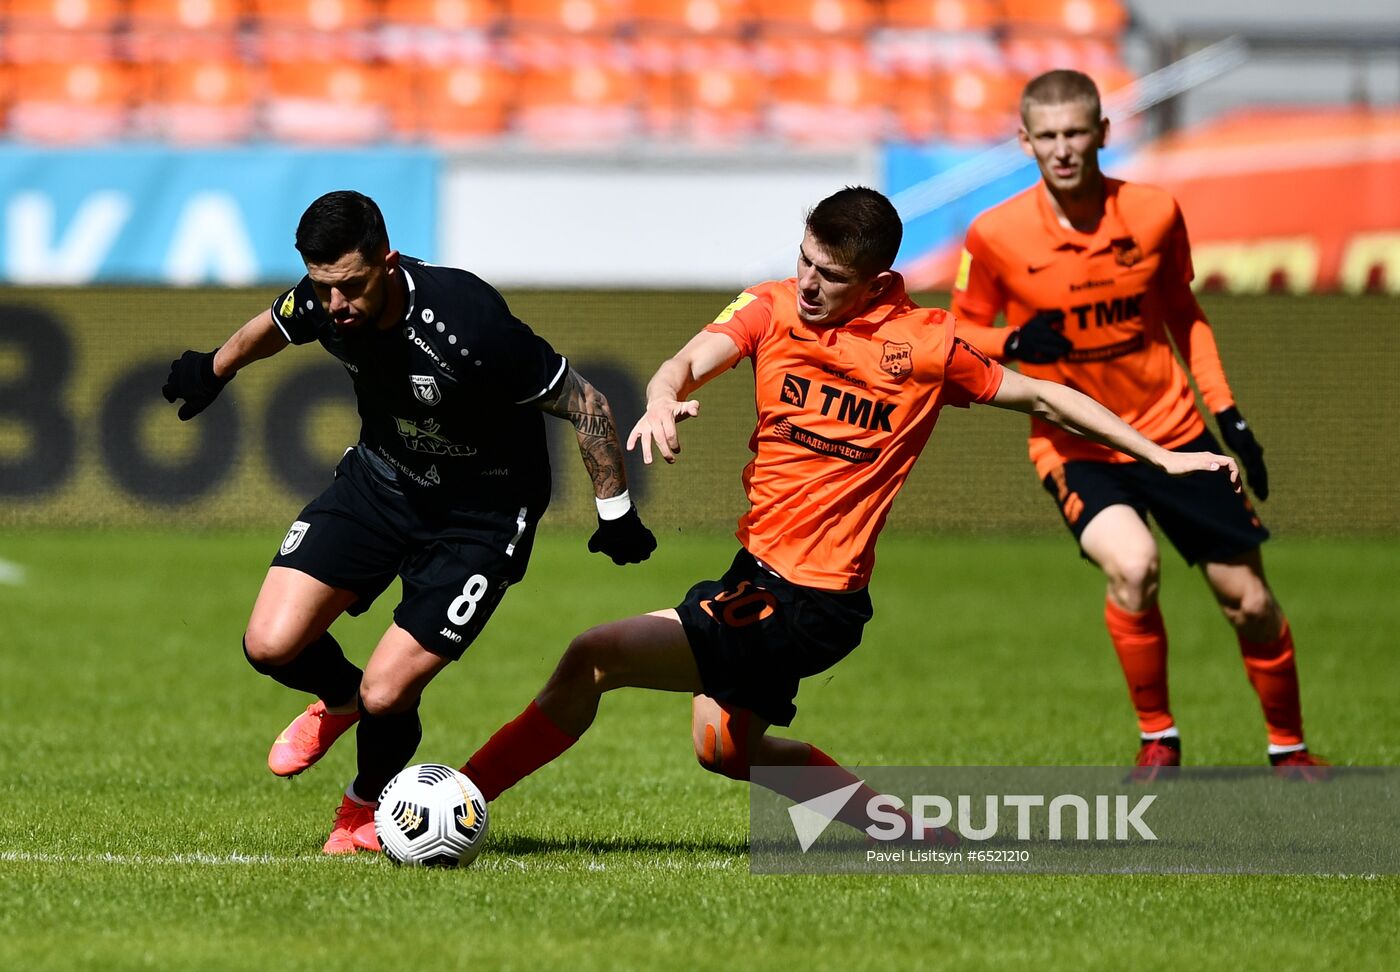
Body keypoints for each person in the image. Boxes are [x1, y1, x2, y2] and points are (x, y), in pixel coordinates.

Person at [455, 186, 1240, 833]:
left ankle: (459, 797)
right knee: (724, 748)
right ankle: (909, 834)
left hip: (808, 599)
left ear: (875, 280)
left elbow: (1044, 395)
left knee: (591, 657)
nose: (806, 282)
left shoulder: (926, 346)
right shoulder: (772, 308)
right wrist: (663, 398)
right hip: (759, 576)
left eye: (827, 274)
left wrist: (1167, 456)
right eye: (802, 259)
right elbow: (690, 358)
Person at [161, 190, 657, 854]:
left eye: (350, 287)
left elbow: (584, 400)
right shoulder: (325, 300)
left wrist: (615, 512)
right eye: (322, 287)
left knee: (388, 689)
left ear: (387, 263)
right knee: (270, 645)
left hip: (482, 514)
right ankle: (338, 701)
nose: (335, 306)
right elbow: (272, 326)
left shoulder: (470, 325)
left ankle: (361, 810)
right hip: (382, 482)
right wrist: (212, 370)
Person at [949, 70, 1327, 779]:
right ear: (1026, 141)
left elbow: (1185, 315)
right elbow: (960, 331)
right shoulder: (994, 234)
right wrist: (1014, 345)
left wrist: (1229, 416)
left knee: (1248, 602)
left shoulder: (1153, 213)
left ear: (1102, 134)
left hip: (1175, 431)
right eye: (1049, 136)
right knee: (1134, 566)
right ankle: (1159, 739)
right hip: (1074, 444)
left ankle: (1291, 749)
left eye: (1077, 133)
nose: (1064, 149)